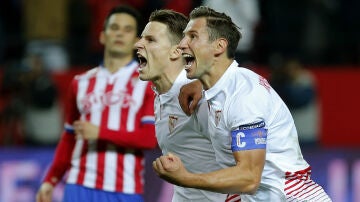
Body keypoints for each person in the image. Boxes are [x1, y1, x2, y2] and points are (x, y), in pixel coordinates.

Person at [152, 6, 332, 201]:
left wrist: (186, 178)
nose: (182, 44)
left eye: (192, 36)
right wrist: (201, 84)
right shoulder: (218, 89)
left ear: (219, 46)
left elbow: (249, 178)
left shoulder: (244, 96)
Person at [36, 5, 157, 202]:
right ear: (102, 36)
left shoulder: (147, 82)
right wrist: (50, 180)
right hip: (79, 185)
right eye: (114, 28)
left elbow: (150, 138)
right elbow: (69, 137)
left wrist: (100, 132)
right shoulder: (80, 82)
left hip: (124, 188)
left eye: (127, 30)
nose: (119, 34)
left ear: (137, 41)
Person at [134, 9, 239, 202]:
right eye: (142, 38)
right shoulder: (162, 94)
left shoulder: (199, 97)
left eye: (150, 40)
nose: (138, 44)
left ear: (176, 51)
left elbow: (248, 165)